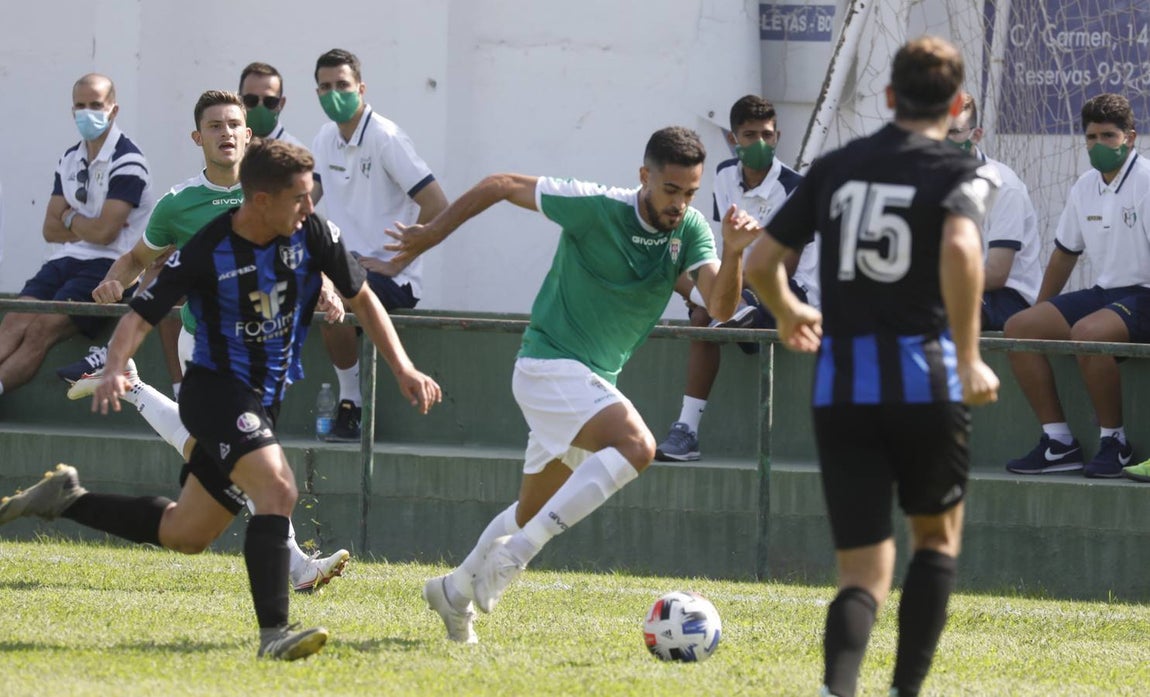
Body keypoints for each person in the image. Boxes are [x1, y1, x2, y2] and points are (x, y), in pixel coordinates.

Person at [0, 138, 442, 659]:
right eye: (299, 197)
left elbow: (362, 299)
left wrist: (404, 367)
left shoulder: (312, 233)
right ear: (260, 200)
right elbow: (143, 313)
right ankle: (274, 635)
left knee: (186, 532)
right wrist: (116, 364)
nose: (309, 207)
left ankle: (66, 500)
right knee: (277, 489)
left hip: (262, 397)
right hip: (214, 393)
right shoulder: (208, 248)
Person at [386, 126, 759, 644]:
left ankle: (451, 592)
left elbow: (720, 308)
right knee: (637, 446)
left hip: (590, 382)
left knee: (530, 509)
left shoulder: (691, 229)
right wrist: (430, 234)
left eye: (690, 193)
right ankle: (518, 554)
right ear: (644, 177)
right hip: (547, 366)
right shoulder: (596, 206)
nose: (680, 203)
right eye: (671, 190)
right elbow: (499, 183)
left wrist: (736, 250)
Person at [744, 37, 1000, 697]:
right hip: (926, 381)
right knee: (935, 542)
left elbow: (759, 263)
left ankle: (838, 689)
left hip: (842, 388)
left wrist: (787, 310)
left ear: (888, 98)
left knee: (861, 572)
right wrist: (970, 356)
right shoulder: (959, 169)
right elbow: (962, 244)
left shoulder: (835, 165)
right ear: (961, 105)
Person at [54, 90, 352, 593]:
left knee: (226, 465)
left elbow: (306, 247)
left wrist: (324, 285)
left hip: (266, 354)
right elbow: (136, 259)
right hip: (209, 352)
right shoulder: (179, 203)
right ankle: (295, 570)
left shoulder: (278, 191)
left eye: (235, 123)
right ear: (199, 138)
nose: (227, 132)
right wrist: (113, 280)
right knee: (257, 461)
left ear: (250, 134)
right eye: (214, 126)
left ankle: (130, 393)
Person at [654, 95, 816, 462]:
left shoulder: (796, 188)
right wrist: (713, 284)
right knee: (673, 269)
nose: (760, 143)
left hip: (791, 295)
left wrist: (716, 288)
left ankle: (720, 305)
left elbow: (781, 271)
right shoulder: (725, 174)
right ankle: (686, 432)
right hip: (743, 284)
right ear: (733, 139)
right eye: (749, 134)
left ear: (778, 137)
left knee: (704, 313)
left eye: (767, 135)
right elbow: (714, 247)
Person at [1003, 93, 1150, 478]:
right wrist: (1039, 308)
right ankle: (1059, 443)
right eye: (1091, 138)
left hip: (1145, 295)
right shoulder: (1085, 185)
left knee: (1086, 333)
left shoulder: (1147, 181)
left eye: (1108, 137)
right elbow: (1065, 253)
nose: (1098, 146)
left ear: (1130, 137)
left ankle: (1115, 443)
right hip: (1106, 294)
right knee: (1019, 329)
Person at [310, 48, 449, 441]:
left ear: (361, 88)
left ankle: (350, 405)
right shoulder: (324, 137)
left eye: (342, 85)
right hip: (346, 269)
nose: (334, 93)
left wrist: (397, 261)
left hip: (395, 281)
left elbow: (437, 205)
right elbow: (307, 201)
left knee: (334, 293)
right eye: (325, 87)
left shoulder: (386, 137)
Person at [0, 74, 153, 398]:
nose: (87, 113)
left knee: (41, 329)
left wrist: (69, 214)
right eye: (80, 106)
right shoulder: (69, 158)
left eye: (96, 105)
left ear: (113, 109)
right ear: (72, 110)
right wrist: (85, 224)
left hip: (109, 267)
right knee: (14, 320)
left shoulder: (129, 160)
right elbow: (48, 229)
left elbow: (104, 233)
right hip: (64, 260)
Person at [946, 93, 1041, 331]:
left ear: (976, 135)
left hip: (1008, 298)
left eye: (953, 132)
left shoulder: (1002, 186)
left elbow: (997, 274)